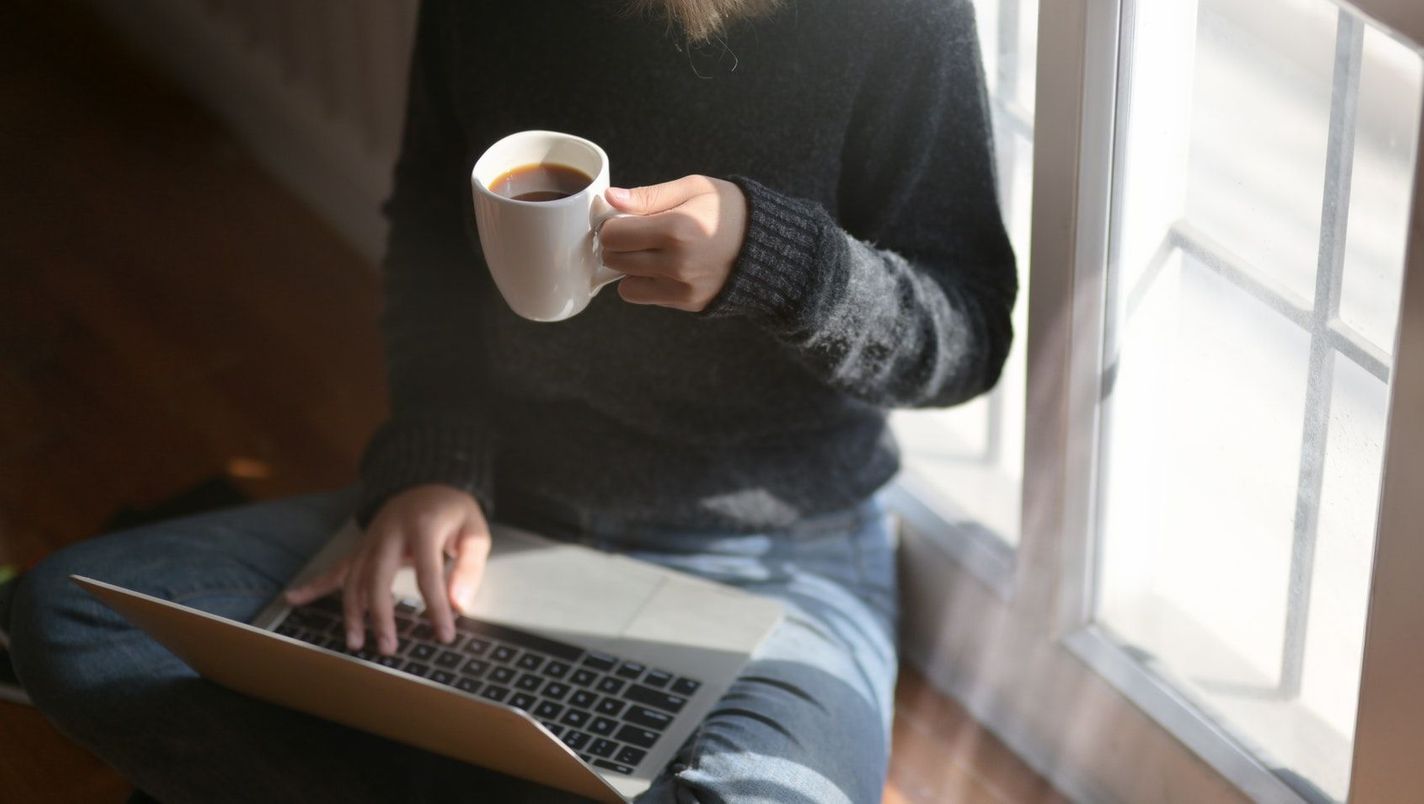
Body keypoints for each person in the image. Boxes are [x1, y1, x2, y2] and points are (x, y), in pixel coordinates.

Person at [2, 0, 1016, 800]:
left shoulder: (897, 16)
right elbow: (436, 242)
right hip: (501, 517)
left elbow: (965, 336)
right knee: (70, 620)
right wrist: (437, 462)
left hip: (775, 556)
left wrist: (782, 262)